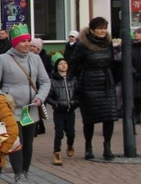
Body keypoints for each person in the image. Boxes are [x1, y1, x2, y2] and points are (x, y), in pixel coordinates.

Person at [0, 24, 50, 184]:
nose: (27, 44)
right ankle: (18, 175)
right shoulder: (3, 59)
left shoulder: (35, 59)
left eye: (28, 41)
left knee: (28, 142)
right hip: (11, 109)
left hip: (30, 109)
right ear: (15, 43)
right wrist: (3, 97)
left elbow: (45, 81)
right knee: (16, 141)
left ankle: (25, 172)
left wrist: (39, 97)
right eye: (23, 41)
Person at [69, 17, 118, 160]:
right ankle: (88, 147)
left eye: (104, 28)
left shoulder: (108, 43)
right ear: (92, 30)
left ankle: (107, 147)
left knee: (109, 116)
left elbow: (112, 61)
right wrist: (74, 81)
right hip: (89, 83)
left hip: (106, 82)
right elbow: (74, 64)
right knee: (89, 118)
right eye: (100, 28)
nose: (103, 31)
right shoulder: (83, 44)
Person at [45, 53, 78, 165]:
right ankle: (57, 152)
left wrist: (76, 103)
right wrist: (56, 104)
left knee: (71, 133)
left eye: (65, 63)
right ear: (56, 66)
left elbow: (78, 94)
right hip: (59, 111)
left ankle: (70, 144)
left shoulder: (73, 80)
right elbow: (48, 97)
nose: (63, 65)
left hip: (71, 110)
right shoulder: (53, 81)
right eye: (60, 63)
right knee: (59, 133)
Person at [132, 27, 141, 124]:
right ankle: (136, 116)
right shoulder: (132, 46)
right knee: (136, 99)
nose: (135, 34)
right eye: (135, 33)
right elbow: (128, 61)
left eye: (138, 33)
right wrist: (134, 71)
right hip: (134, 77)